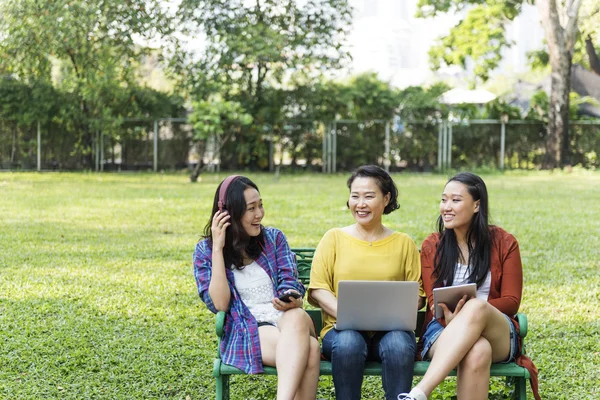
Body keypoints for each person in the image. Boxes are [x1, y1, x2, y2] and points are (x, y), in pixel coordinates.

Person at [398, 172, 540, 400]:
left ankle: (419, 393)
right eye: (444, 200)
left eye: (455, 200)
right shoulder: (433, 245)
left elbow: (511, 302)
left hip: (498, 331)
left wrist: (470, 313)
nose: (446, 207)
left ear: (476, 205)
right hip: (442, 329)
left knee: (476, 307)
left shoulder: (504, 243)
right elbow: (435, 302)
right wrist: (451, 319)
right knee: (478, 350)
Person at [193, 175, 320, 400]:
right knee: (310, 350)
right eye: (251, 208)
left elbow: (289, 279)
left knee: (298, 316)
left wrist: (291, 297)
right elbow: (220, 304)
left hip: (287, 316)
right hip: (249, 329)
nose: (259, 214)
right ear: (228, 214)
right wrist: (218, 249)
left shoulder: (273, 238)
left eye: (260, 205)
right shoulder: (206, 251)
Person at [308, 165, 425, 400]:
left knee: (400, 345)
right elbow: (319, 289)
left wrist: (395, 313)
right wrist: (347, 314)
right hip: (341, 331)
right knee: (349, 342)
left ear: (386, 199)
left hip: (391, 331)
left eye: (369, 196)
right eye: (355, 196)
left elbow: (418, 295)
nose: (360, 204)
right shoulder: (333, 238)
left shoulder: (404, 243)